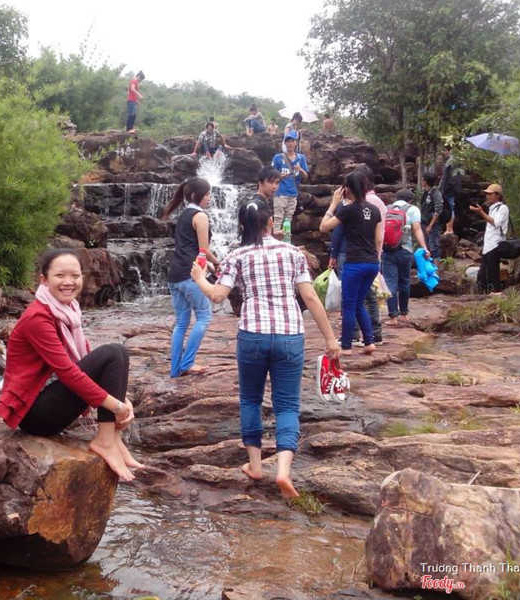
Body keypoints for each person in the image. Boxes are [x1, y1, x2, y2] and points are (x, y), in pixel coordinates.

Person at [191, 201, 340, 500]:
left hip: (253, 335)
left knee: (250, 399)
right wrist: (330, 339)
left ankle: (256, 466)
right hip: (289, 335)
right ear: (271, 222)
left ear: (242, 225)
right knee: (287, 405)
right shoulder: (293, 253)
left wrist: (199, 279)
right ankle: (283, 471)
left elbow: (218, 296)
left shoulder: (237, 255)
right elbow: (310, 297)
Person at [0, 249, 141, 481]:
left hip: (50, 399)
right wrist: (117, 406)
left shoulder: (68, 311)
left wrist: (123, 399)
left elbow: (89, 362)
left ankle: (113, 439)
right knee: (113, 352)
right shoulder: (38, 317)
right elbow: (69, 373)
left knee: (118, 353)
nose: (68, 282)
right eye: (60, 276)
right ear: (44, 280)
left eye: (75, 276)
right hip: (33, 414)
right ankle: (105, 441)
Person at [319, 170, 382, 355]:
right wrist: (376, 259)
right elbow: (379, 239)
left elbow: (323, 227)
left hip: (354, 263)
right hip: (372, 263)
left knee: (348, 305)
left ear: (347, 189)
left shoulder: (347, 210)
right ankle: (369, 342)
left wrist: (333, 204)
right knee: (359, 303)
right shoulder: (375, 210)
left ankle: (346, 346)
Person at [162, 178, 218, 377]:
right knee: (204, 316)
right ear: (197, 195)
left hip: (175, 275)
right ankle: (187, 363)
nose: (210, 197)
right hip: (190, 274)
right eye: (208, 194)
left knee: (181, 323)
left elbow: (190, 248)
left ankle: (175, 369)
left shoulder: (184, 215)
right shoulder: (200, 216)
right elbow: (204, 250)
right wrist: (218, 263)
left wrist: (209, 264)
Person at [381, 189, 430, 326]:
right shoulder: (413, 209)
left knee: (390, 282)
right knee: (404, 281)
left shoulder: (386, 209)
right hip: (405, 250)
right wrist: (424, 247)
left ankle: (393, 317)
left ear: (395, 198)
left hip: (387, 250)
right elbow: (417, 229)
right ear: (411, 200)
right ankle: (404, 315)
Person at [471, 184, 509, 294]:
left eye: (490, 194)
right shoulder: (492, 209)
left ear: (497, 195)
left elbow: (495, 223)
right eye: (487, 194)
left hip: (495, 244)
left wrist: (481, 212)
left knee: (492, 272)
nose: (487, 196)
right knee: (483, 273)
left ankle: (495, 293)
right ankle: (484, 294)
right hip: (488, 245)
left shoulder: (503, 208)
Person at [271, 131, 309, 241]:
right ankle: (275, 242)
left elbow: (306, 176)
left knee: (288, 220)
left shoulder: (301, 158)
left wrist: (300, 169)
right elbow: (271, 174)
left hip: (293, 193)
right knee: (278, 219)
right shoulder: (278, 158)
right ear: (285, 143)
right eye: (288, 141)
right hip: (280, 193)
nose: (290, 144)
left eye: (292, 141)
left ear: (296, 143)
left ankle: (286, 241)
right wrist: (279, 176)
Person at [420, 172, 443, 262]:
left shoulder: (436, 193)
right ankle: (427, 266)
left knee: (434, 245)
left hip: (432, 224)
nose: (421, 181)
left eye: (423, 180)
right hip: (424, 222)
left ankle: (436, 266)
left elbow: (438, 210)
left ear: (426, 181)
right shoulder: (426, 193)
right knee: (426, 245)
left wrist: (430, 225)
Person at [439, 148, 463, 235]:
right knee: (448, 208)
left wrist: (446, 188)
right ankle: (448, 228)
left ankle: (449, 229)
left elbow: (452, 178)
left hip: (449, 190)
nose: (444, 152)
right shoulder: (451, 162)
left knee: (450, 208)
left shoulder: (452, 162)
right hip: (449, 189)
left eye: (445, 150)